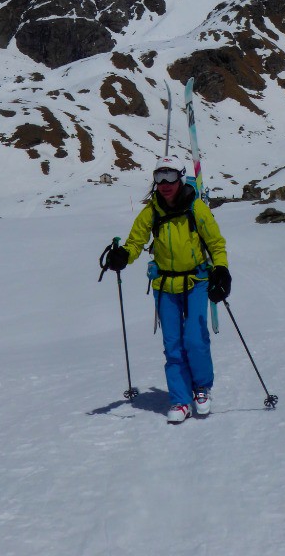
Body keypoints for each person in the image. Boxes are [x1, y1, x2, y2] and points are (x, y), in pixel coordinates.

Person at [104, 155, 232, 424]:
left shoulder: (197, 209)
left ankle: (201, 387)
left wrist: (221, 270)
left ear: (181, 178)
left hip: (196, 281)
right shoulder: (152, 211)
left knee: (195, 339)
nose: (164, 183)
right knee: (172, 344)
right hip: (164, 285)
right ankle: (180, 399)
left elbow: (216, 244)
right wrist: (124, 256)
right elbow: (136, 241)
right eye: (159, 177)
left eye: (170, 177)